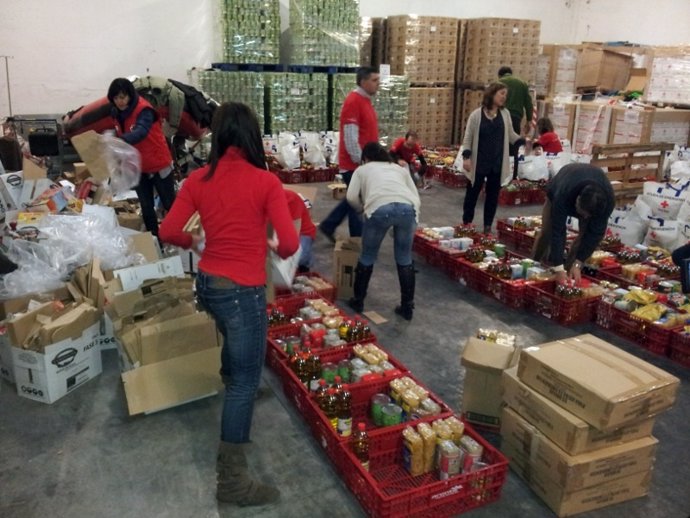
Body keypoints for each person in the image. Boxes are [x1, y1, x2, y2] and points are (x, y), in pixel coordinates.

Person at [158, 102, 299, 507]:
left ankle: (232, 373)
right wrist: (271, 242)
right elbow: (289, 244)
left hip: (209, 285)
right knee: (244, 384)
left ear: (217, 136)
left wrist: (195, 240)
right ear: (252, 136)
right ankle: (233, 481)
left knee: (234, 351)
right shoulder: (265, 182)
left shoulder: (199, 180)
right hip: (243, 290)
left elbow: (168, 229)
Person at [346, 142, 421, 320]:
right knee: (404, 258)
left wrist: (362, 209)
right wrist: (412, 218)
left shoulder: (362, 170)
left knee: (368, 255)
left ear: (365, 158)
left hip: (379, 208)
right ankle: (407, 307)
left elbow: (350, 197)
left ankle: (358, 300)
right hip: (407, 208)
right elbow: (415, 196)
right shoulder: (399, 169)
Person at [319, 67, 380, 242]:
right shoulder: (354, 101)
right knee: (356, 202)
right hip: (355, 164)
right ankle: (356, 241)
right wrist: (362, 163)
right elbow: (350, 137)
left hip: (362, 163)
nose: (378, 84)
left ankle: (329, 225)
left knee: (352, 200)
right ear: (363, 81)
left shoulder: (365, 101)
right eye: (374, 80)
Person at [107, 78, 175, 236]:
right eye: (116, 98)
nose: (120, 101)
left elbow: (141, 132)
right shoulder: (115, 113)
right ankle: (154, 240)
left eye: (123, 97)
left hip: (158, 164)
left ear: (130, 95)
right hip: (138, 167)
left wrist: (119, 140)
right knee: (146, 206)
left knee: (169, 204)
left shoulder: (144, 110)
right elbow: (118, 133)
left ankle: (176, 238)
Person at [532, 163, 615, 284]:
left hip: (593, 188)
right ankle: (533, 264)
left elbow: (594, 235)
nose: (584, 217)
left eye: (587, 216)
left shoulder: (607, 203)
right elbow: (558, 231)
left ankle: (568, 275)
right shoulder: (563, 194)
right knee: (547, 231)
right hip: (563, 182)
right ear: (577, 200)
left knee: (584, 237)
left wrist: (578, 262)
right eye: (582, 213)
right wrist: (558, 267)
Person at [460, 82, 521, 234]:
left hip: (497, 162)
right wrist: (466, 157)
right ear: (492, 94)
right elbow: (467, 139)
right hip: (479, 162)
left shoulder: (505, 114)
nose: (504, 97)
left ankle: (487, 226)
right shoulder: (476, 115)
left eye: (505, 94)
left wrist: (524, 141)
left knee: (492, 197)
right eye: (501, 93)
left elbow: (511, 135)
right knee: (472, 196)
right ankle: (467, 223)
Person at [498, 66, 533, 177]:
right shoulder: (522, 84)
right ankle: (513, 174)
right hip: (515, 119)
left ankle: (499, 174)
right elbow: (529, 103)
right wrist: (529, 120)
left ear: (500, 75)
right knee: (514, 148)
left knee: (500, 146)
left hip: (500, 117)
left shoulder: (499, 83)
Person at [284, 188, 316, 273]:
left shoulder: (291, 199)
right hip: (278, 231)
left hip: (302, 232)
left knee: (299, 259)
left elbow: (295, 231)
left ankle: (305, 266)